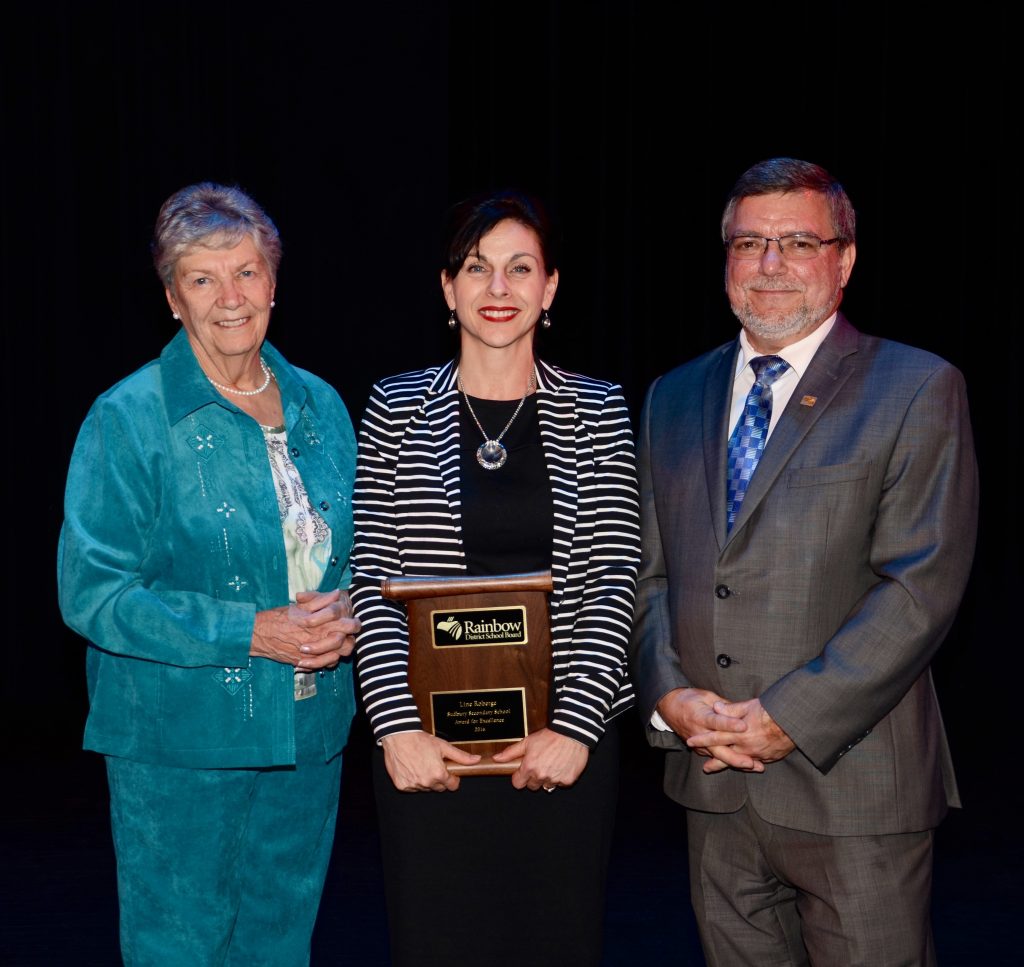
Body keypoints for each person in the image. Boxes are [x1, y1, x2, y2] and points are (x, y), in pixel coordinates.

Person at [629, 157, 978, 966]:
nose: (772, 264)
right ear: (726, 260)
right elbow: (645, 577)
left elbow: (919, 588)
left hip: (854, 789)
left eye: (797, 241)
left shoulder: (918, 386)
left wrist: (788, 716)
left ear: (845, 259)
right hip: (713, 783)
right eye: (750, 243)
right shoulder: (671, 396)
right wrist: (669, 697)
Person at [57, 182, 360, 965]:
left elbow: (359, 555)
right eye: (202, 278)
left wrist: (354, 612)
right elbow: (92, 591)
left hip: (309, 736)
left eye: (247, 272)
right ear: (171, 298)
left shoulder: (322, 405)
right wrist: (251, 631)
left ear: (274, 282)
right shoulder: (126, 417)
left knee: (280, 948)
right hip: (179, 747)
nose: (230, 297)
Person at [350, 189, 640, 966]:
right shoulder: (394, 407)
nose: (499, 289)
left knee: (555, 941)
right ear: (448, 289)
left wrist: (576, 726)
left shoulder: (600, 408)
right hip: (429, 754)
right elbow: (371, 576)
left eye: (521, 268)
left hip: (563, 745)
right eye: (477, 269)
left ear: (550, 289)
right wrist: (395, 727)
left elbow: (617, 576)